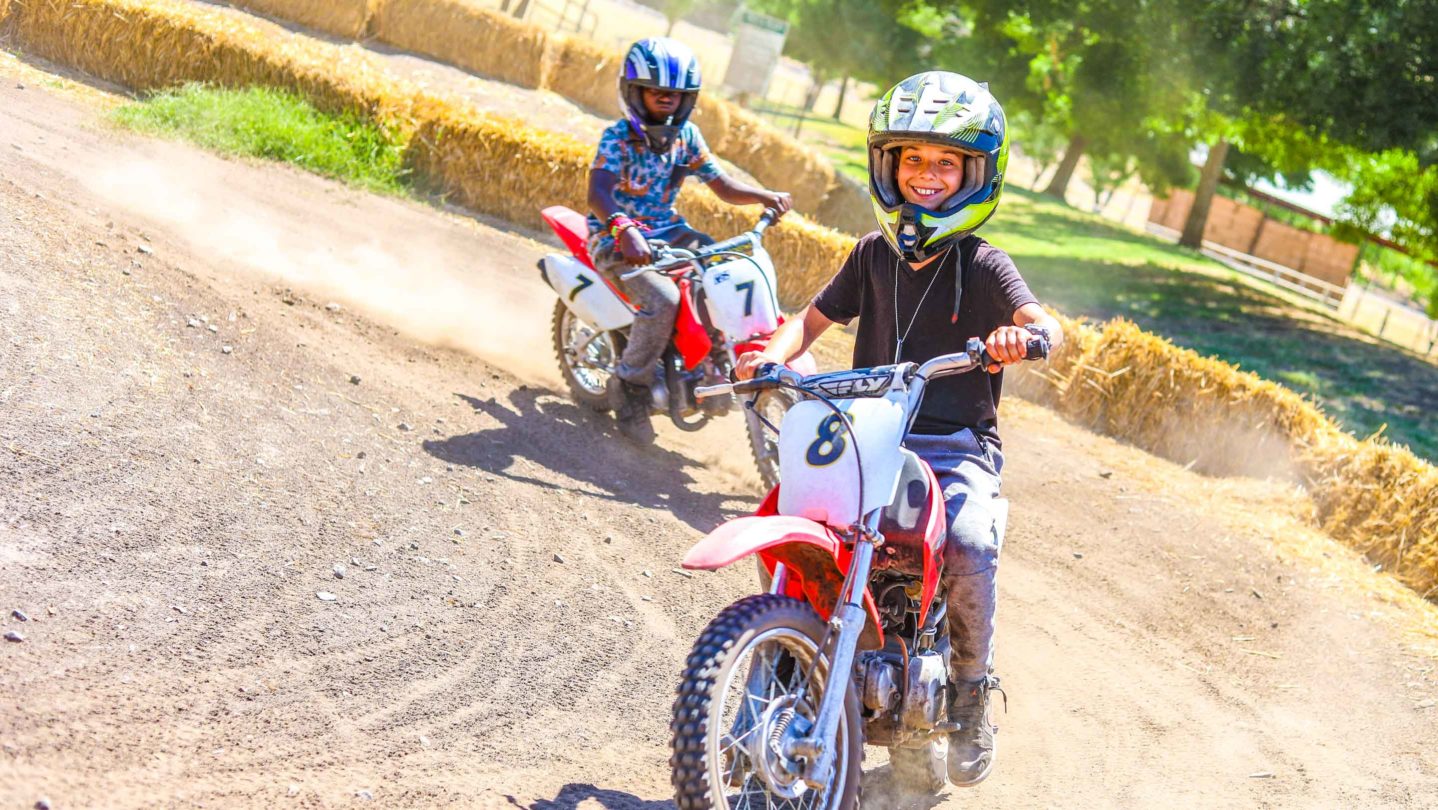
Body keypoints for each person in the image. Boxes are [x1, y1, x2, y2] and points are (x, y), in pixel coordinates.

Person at [734, 71, 1063, 787]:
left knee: (973, 541)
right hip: (866, 435)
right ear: (888, 167)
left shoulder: (983, 265)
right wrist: (770, 355)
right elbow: (807, 323)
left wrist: (1027, 338)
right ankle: (784, 644)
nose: (927, 175)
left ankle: (972, 695)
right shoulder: (871, 256)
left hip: (953, 448)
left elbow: (1041, 321)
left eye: (946, 163)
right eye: (912, 159)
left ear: (975, 175)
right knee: (785, 512)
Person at [587, 37, 792, 444]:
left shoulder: (688, 137)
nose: (666, 101)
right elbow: (598, 193)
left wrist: (762, 195)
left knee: (724, 272)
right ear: (633, 92)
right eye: (657, 92)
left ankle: (714, 361)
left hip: (669, 230)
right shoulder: (617, 137)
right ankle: (630, 390)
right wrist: (623, 228)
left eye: (676, 95)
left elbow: (723, 185)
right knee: (663, 300)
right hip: (617, 238)